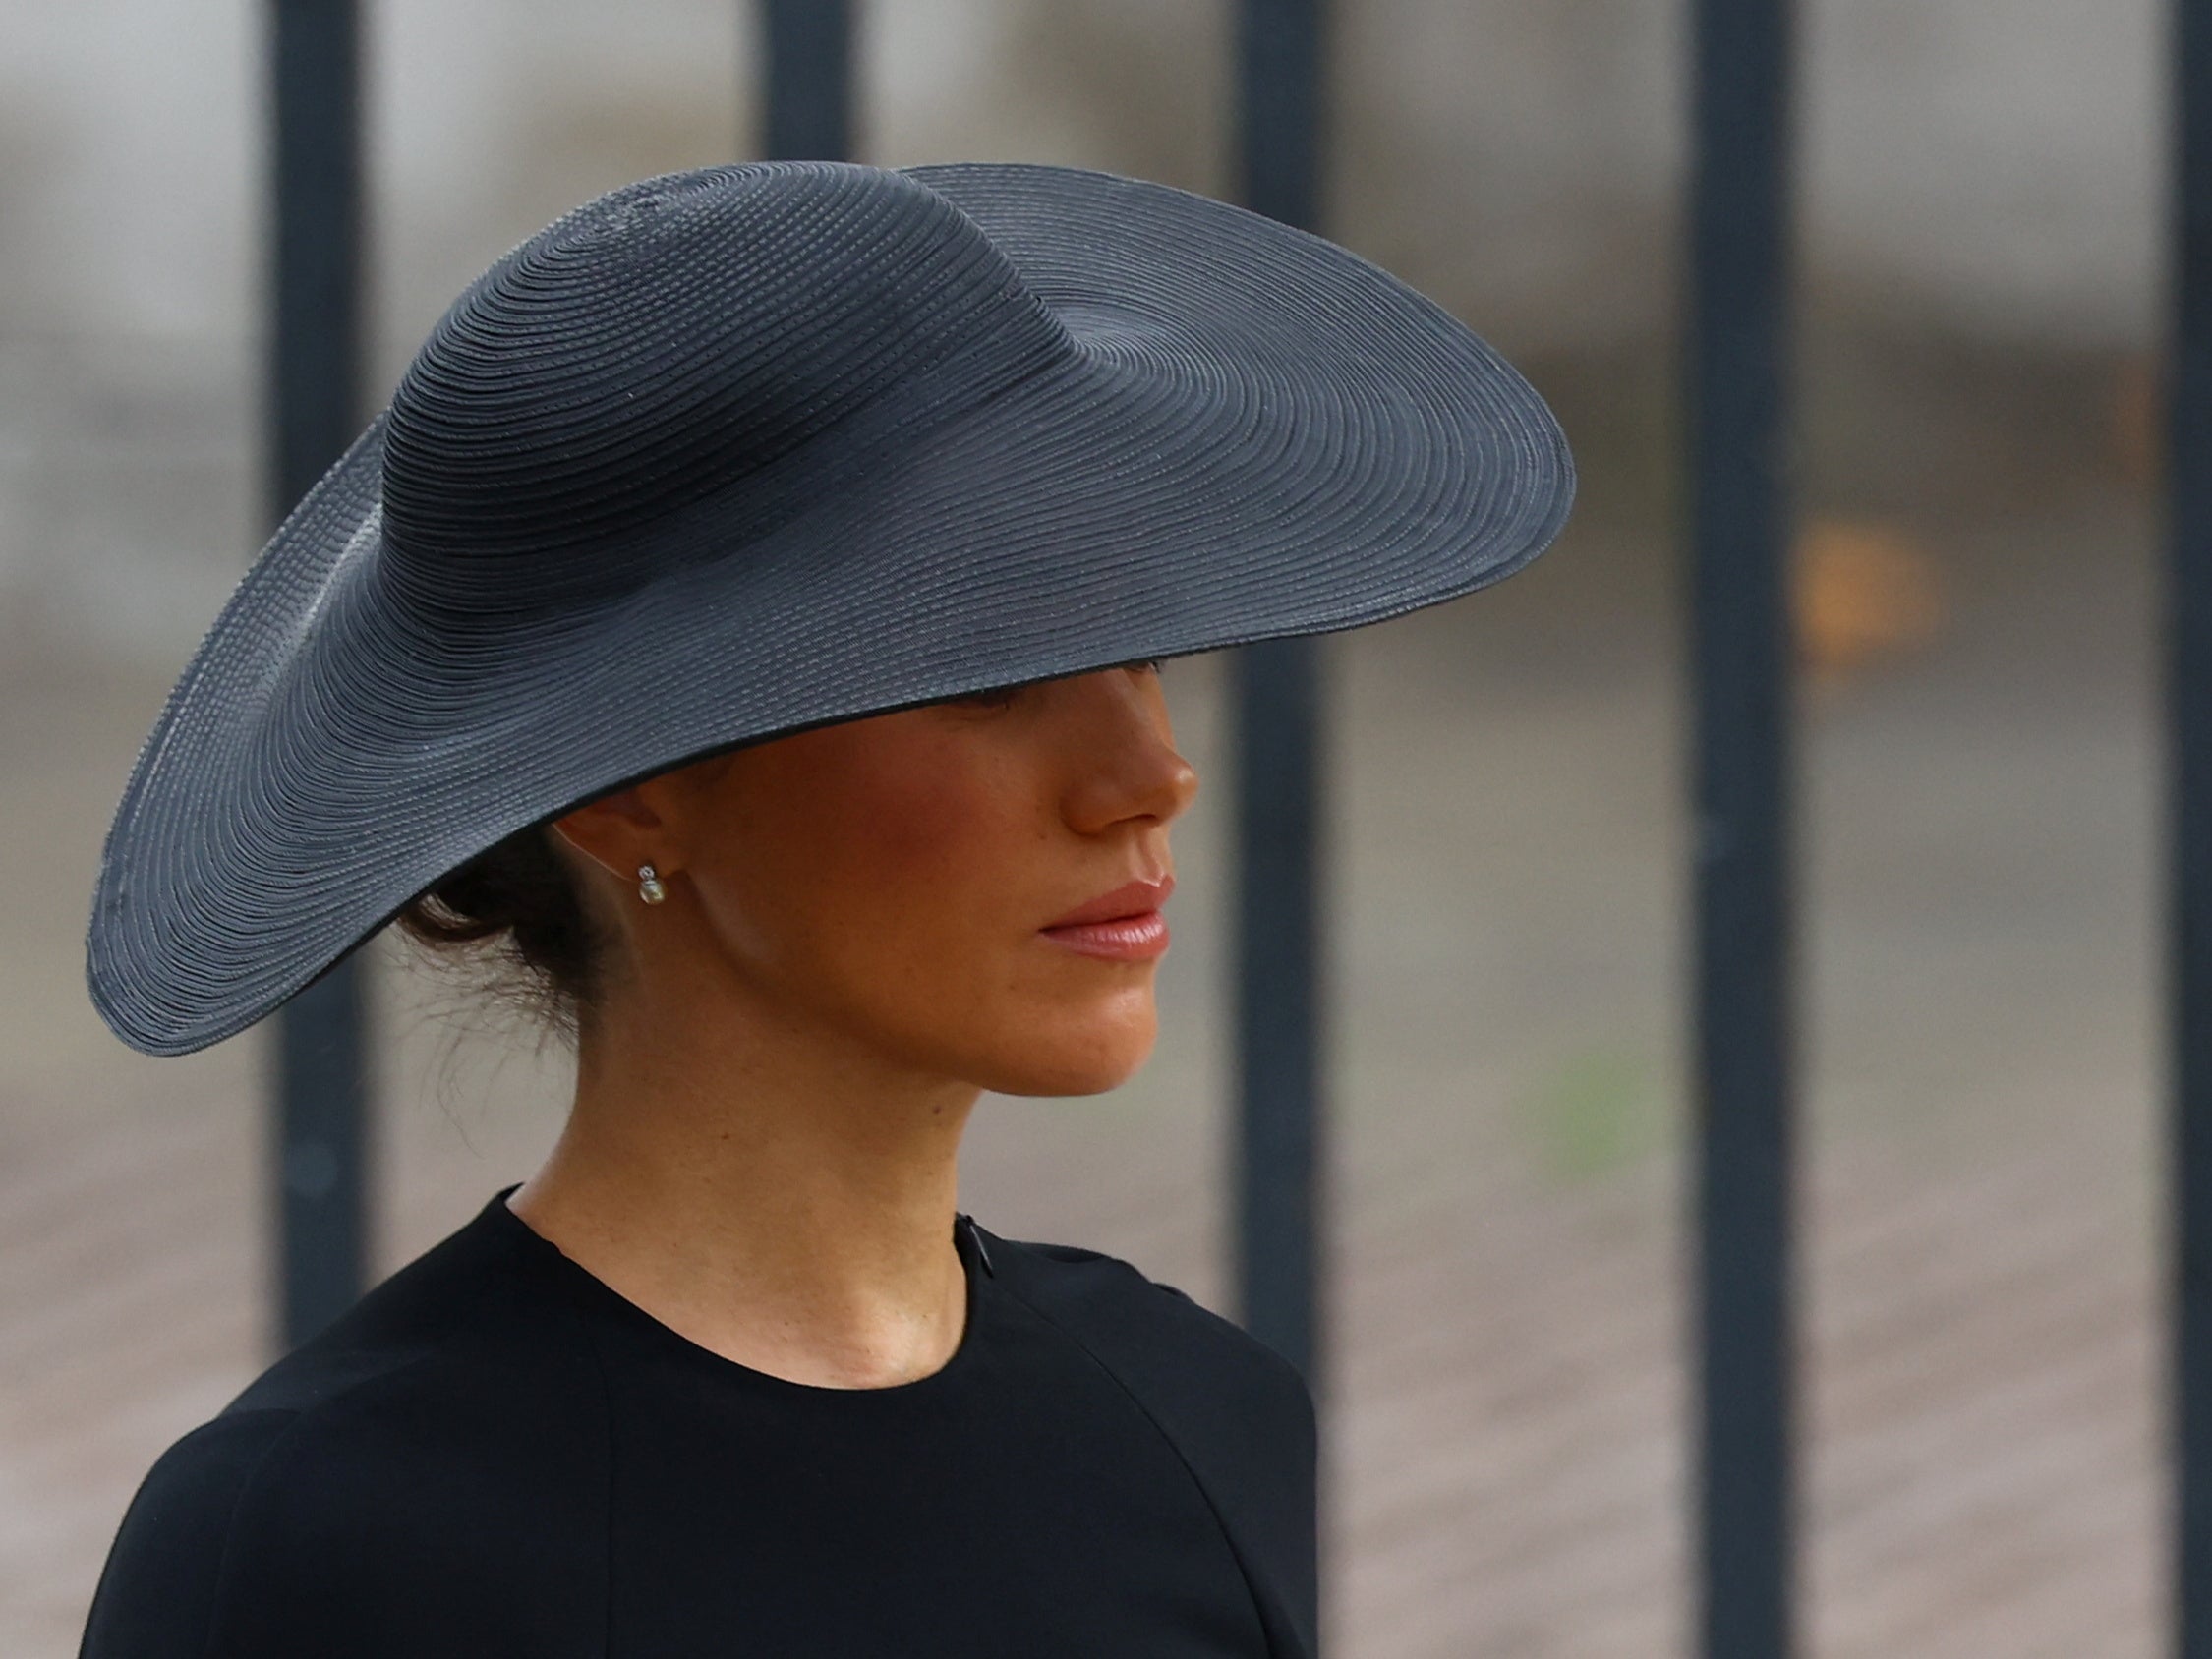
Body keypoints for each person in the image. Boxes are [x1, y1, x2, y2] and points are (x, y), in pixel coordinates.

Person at [77, 160, 1572, 1657]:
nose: (1151, 775)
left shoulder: (1196, 1419)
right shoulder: (323, 1546)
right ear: (629, 792)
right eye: (992, 671)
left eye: (1142, 647)